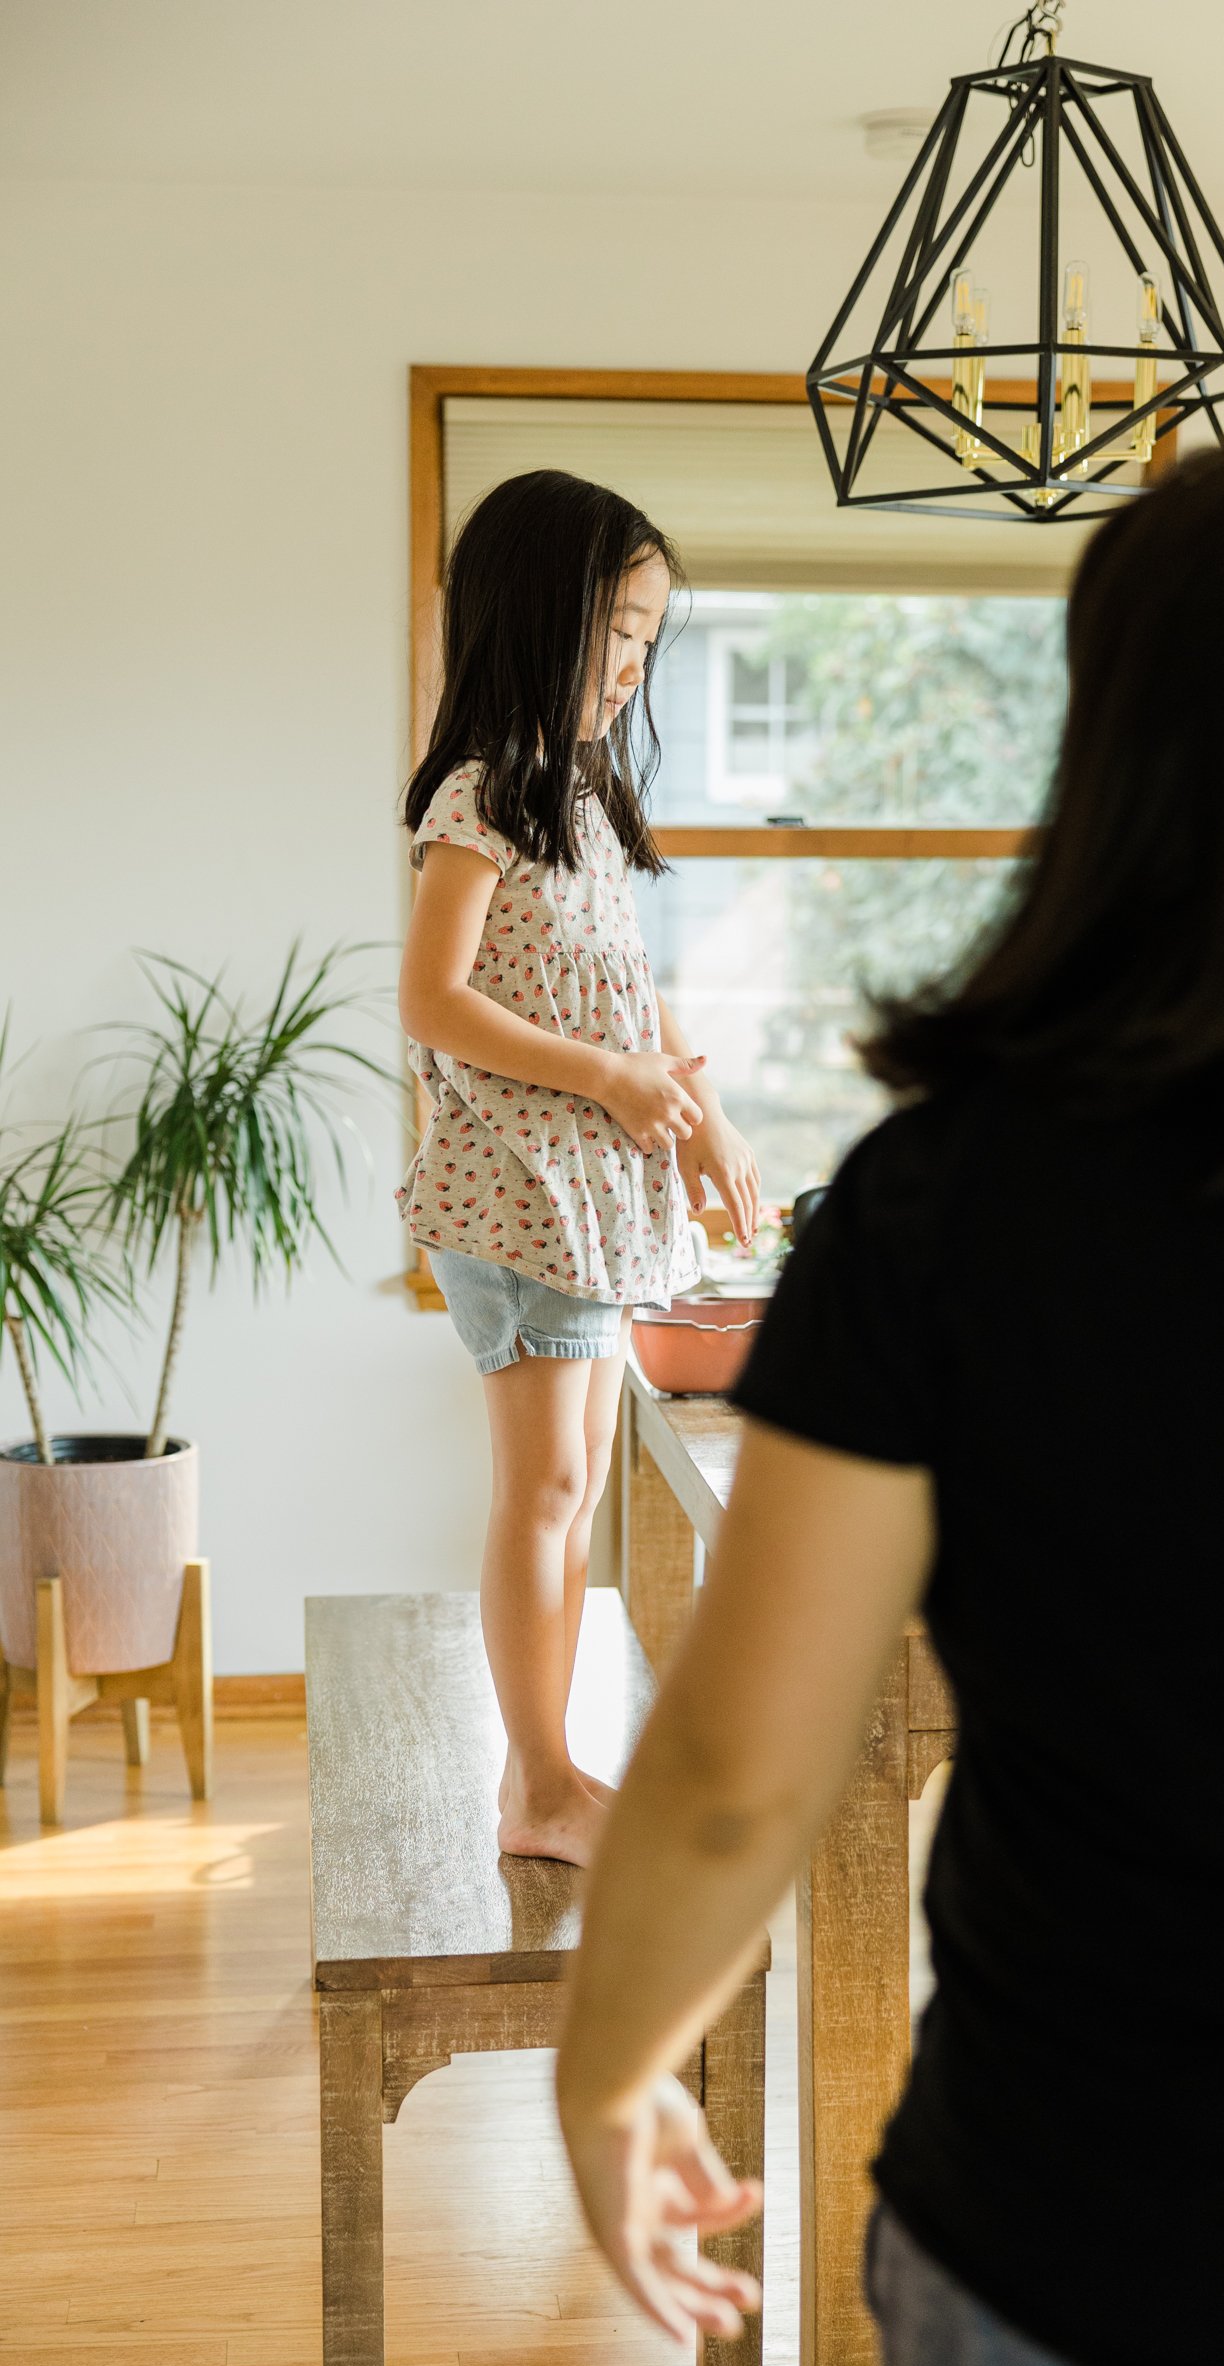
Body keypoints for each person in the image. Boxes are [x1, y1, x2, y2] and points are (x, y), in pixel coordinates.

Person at [553, 442, 1224, 2366]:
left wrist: (608, 2072)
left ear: (1110, 760)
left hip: (1069, 2253)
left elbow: (729, 1772)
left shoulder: (947, 1204)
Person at [397, 468, 759, 1866]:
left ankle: (551, 1776)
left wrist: (699, 1110)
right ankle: (538, 1787)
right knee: (544, 1497)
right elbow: (435, 1004)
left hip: (581, 1210)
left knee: (573, 1486)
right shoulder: (485, 796)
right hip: (520, 1205)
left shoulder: (580, 797)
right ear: (540, 613)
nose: (635, 664)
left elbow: (623, 987)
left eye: (653, 637)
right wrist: (612, 1079)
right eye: (620, 627)